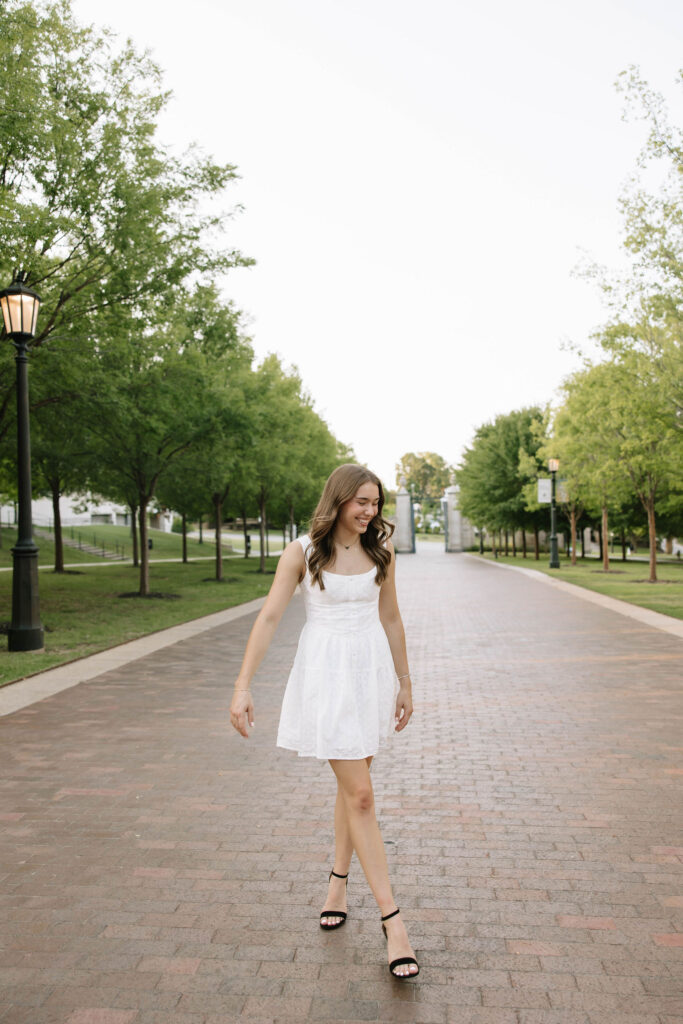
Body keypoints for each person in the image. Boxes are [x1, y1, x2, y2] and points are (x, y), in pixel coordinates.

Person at [229, 463, 420, 980]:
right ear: (337, 499)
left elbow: (392, 616)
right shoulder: (303, 552)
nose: (370, 511)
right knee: (360, 794)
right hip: (326, 679)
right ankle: (393, 921)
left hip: (370, 676)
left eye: (376, 503)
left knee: (351, 787)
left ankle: (337, 882)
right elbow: (269, 616)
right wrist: (243, 685)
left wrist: (405, 681)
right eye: (362, 501)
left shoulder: (381, 551)